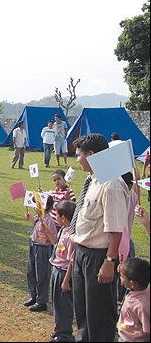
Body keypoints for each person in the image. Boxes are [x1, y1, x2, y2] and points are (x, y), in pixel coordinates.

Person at [70, 133, 129, 342]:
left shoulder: (111, 184)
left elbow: (115, 228)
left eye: (78, 155)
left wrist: (109, 262)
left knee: (99, 314)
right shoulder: (92, 180)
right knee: (84, 311)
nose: (76, 160)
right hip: (83, 253)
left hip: (99, 257)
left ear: (91, 154)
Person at [42, 200, 76, 342]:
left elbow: (71, 261)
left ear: (64, 218)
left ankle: (65, 334)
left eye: (57, 215)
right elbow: (57, 245)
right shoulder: (64, 230)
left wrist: (66, 281)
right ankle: (59, 330)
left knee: (63, 305)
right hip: (57, 270)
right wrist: (48, 232)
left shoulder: (71, 236)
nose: (56, 218)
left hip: (64, 274)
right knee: (56, 303)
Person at [24, 195, 57, 312]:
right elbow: (37, 229)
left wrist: (46, 231)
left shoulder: (49, 221)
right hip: (34, 246)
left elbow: (53, 238)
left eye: (37, 204)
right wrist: (32, 220)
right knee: (31, 272)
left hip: (43, 249)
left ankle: (42, 301)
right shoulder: (39, 218)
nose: (34, 206)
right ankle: (33, 296)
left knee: (42, 275)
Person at [117, 257, 150, 342]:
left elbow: (148, 330)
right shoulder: (142, 290)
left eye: (121, 276)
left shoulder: (142, 306)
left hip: (131, 339)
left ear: (132, 284)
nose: (120, 278)